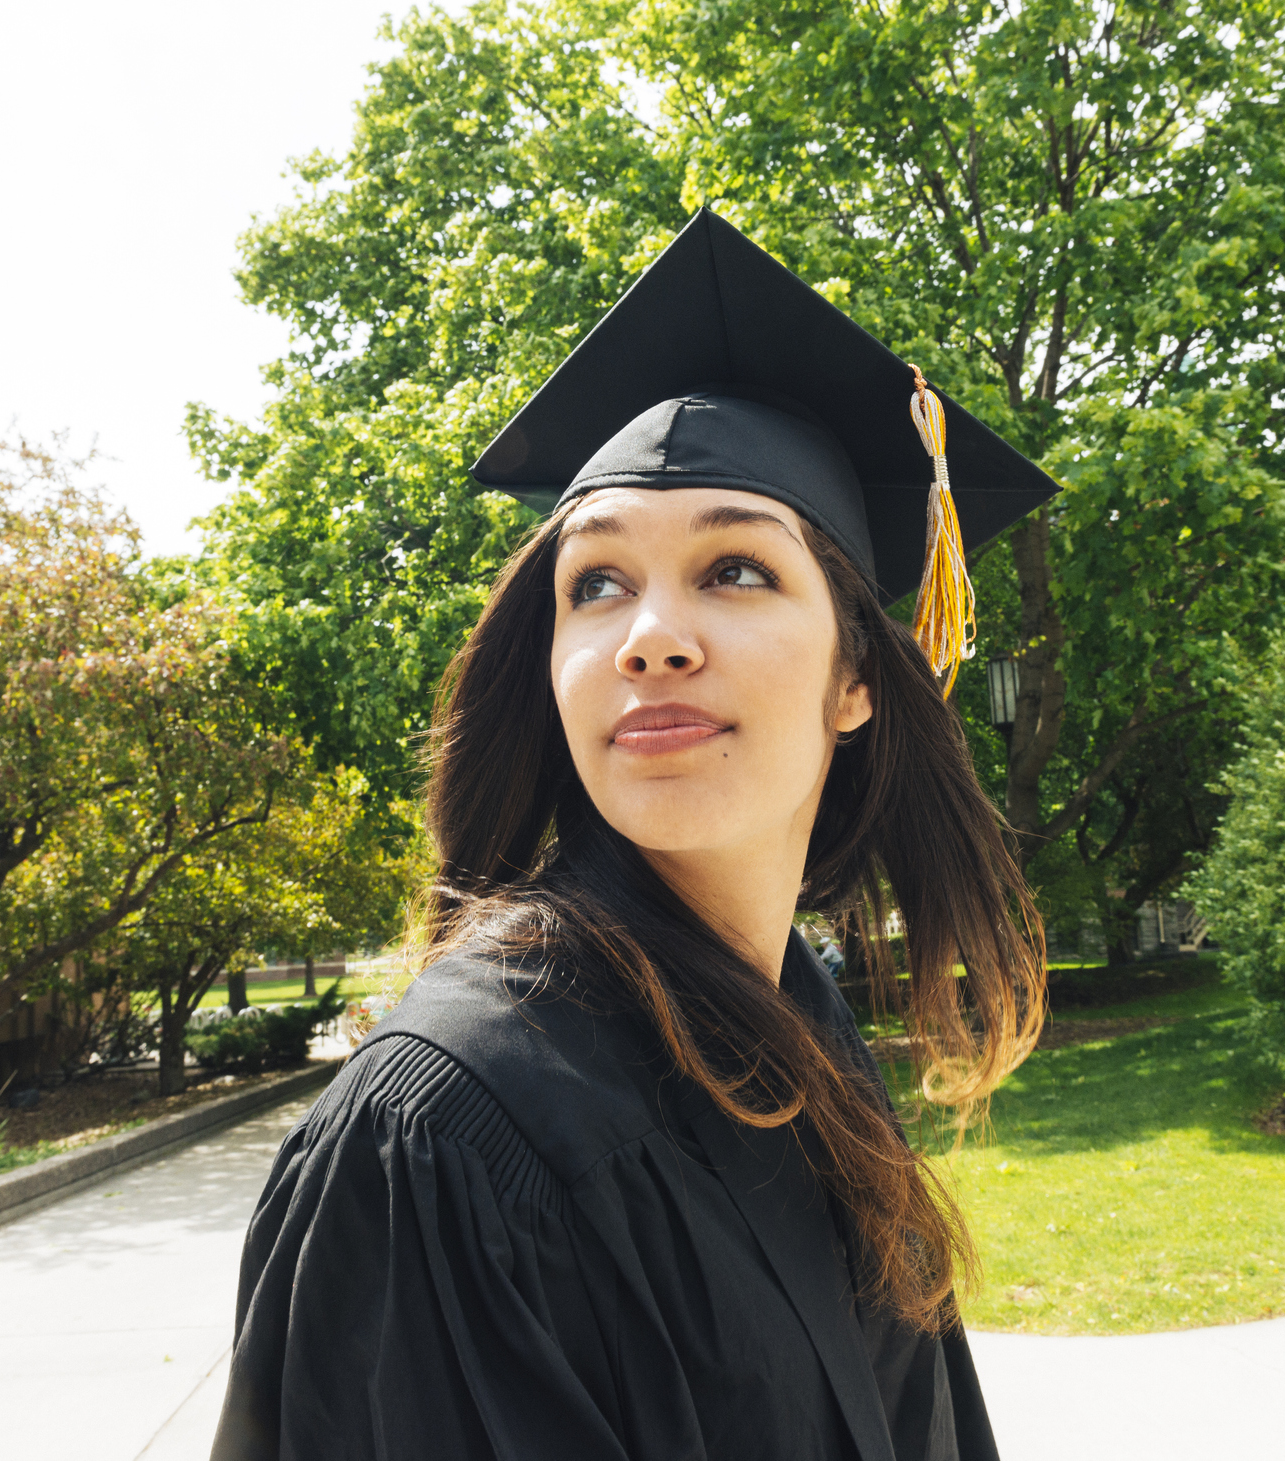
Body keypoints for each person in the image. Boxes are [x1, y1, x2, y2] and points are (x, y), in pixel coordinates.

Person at [212, 210, 1056, 1461]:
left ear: (857, 679)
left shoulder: (793, 1026)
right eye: (594, 585)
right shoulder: (444, 1134)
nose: (646, 635)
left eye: (735, 571)